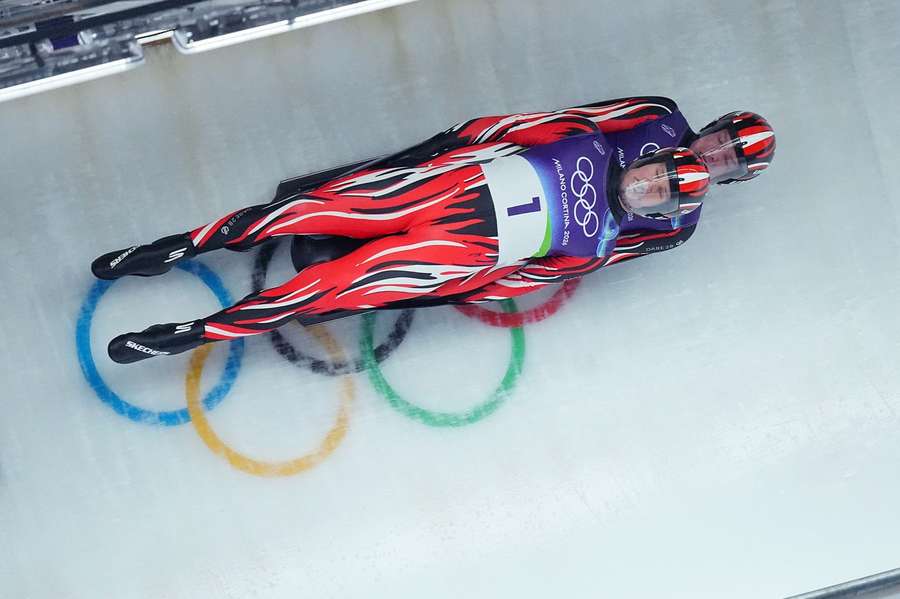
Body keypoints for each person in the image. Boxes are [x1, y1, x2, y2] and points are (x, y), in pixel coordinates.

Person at [91, 105, 710, 363]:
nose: (651, 187)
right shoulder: (585, 140)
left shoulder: (596, 245)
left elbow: (517, 280)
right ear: (650, 160)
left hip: (459, 252)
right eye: (658, 175)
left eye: (663, 194)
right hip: (445, 188)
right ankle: (175, 248)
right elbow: (498, 129)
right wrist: (431, 153)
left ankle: (190, 334)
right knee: (303, 211)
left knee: (325, 290)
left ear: (662, 209)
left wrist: (454, 285)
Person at [289, 97, 777, 303]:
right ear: (715, 126)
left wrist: (516, 275)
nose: (716, 153)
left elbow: (603, 255)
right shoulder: (659, 115)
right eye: (722, 140)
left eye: (729, 160)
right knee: (419, 189)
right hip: (513, 175)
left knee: (446, 267)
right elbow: (578, 121)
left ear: (733, 178)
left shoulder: (678, 225)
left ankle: (347, 281)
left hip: (533, 234)